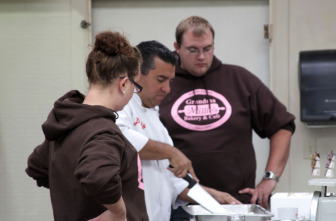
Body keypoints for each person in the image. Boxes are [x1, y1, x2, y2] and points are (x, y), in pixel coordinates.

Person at [159, 16, 296, 211]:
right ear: (177, 47)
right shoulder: (164, 84)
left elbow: (282, 126)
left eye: (207, 49)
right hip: (180, 204)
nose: (201, 57)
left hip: (236, 204)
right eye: (193, 50)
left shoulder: (239, 79)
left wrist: (270, 179)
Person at [25, 31, 149, 221]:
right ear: (124, 84)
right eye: (135, 87)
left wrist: (74, 196)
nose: (134, 93)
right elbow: (99, 177)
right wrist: (118, 212)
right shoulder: (103, 132)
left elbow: (37, 166)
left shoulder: (67, 125)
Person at [116, 40, 240, 221]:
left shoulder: (155, 118)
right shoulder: (121, 105)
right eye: (160, 80)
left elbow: (172, 181)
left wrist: (210, 195)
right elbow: (120, 139)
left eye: (170, 81)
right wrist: (171, 152)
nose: (167, 89)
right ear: (137, 74)